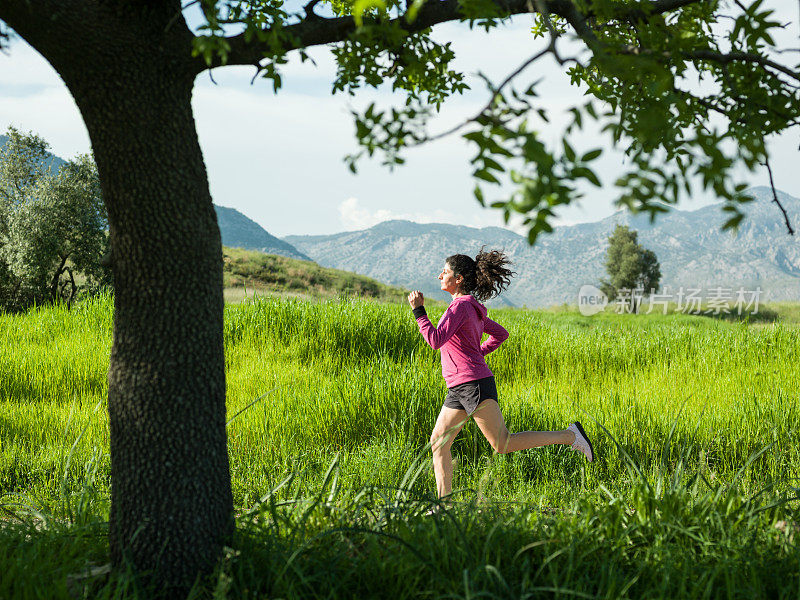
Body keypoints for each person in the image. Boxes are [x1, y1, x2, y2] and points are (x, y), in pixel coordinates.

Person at [407, 248, 594, 499]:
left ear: (459, 279)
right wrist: (476, 355)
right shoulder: (471, 308)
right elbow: (501, 334)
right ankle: (444, 506)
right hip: (461, 385)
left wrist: (419, 310)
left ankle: (570, 436)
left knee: (502, 443)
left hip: (472, 384)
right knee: (439, 442)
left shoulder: (461, 307)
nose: (440, 275)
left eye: (445, 272)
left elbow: (435, 339)